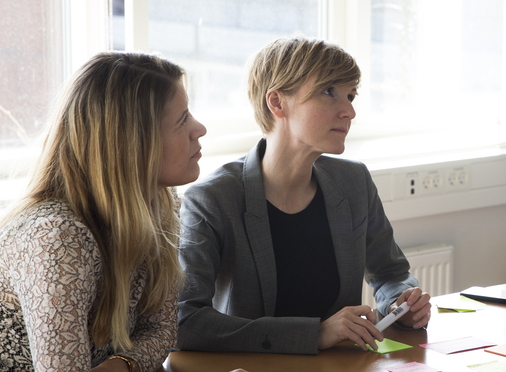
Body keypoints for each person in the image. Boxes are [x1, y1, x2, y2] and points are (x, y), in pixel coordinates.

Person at [0, 52, 208, 371]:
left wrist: (122, 365)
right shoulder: (56, 239)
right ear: (131, 144)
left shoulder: (162, 201)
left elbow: (161, 329)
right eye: (182, 120)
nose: (200, 128)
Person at [177, 36, 431, 355]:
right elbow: (187, 321)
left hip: (340, 365)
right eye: (329, 92)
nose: (349, 111)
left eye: (351, 95)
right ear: (277, 102)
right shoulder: (211, 199)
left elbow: (391, 274)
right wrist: (314, 333)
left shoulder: (354, 182)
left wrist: (402, 304)